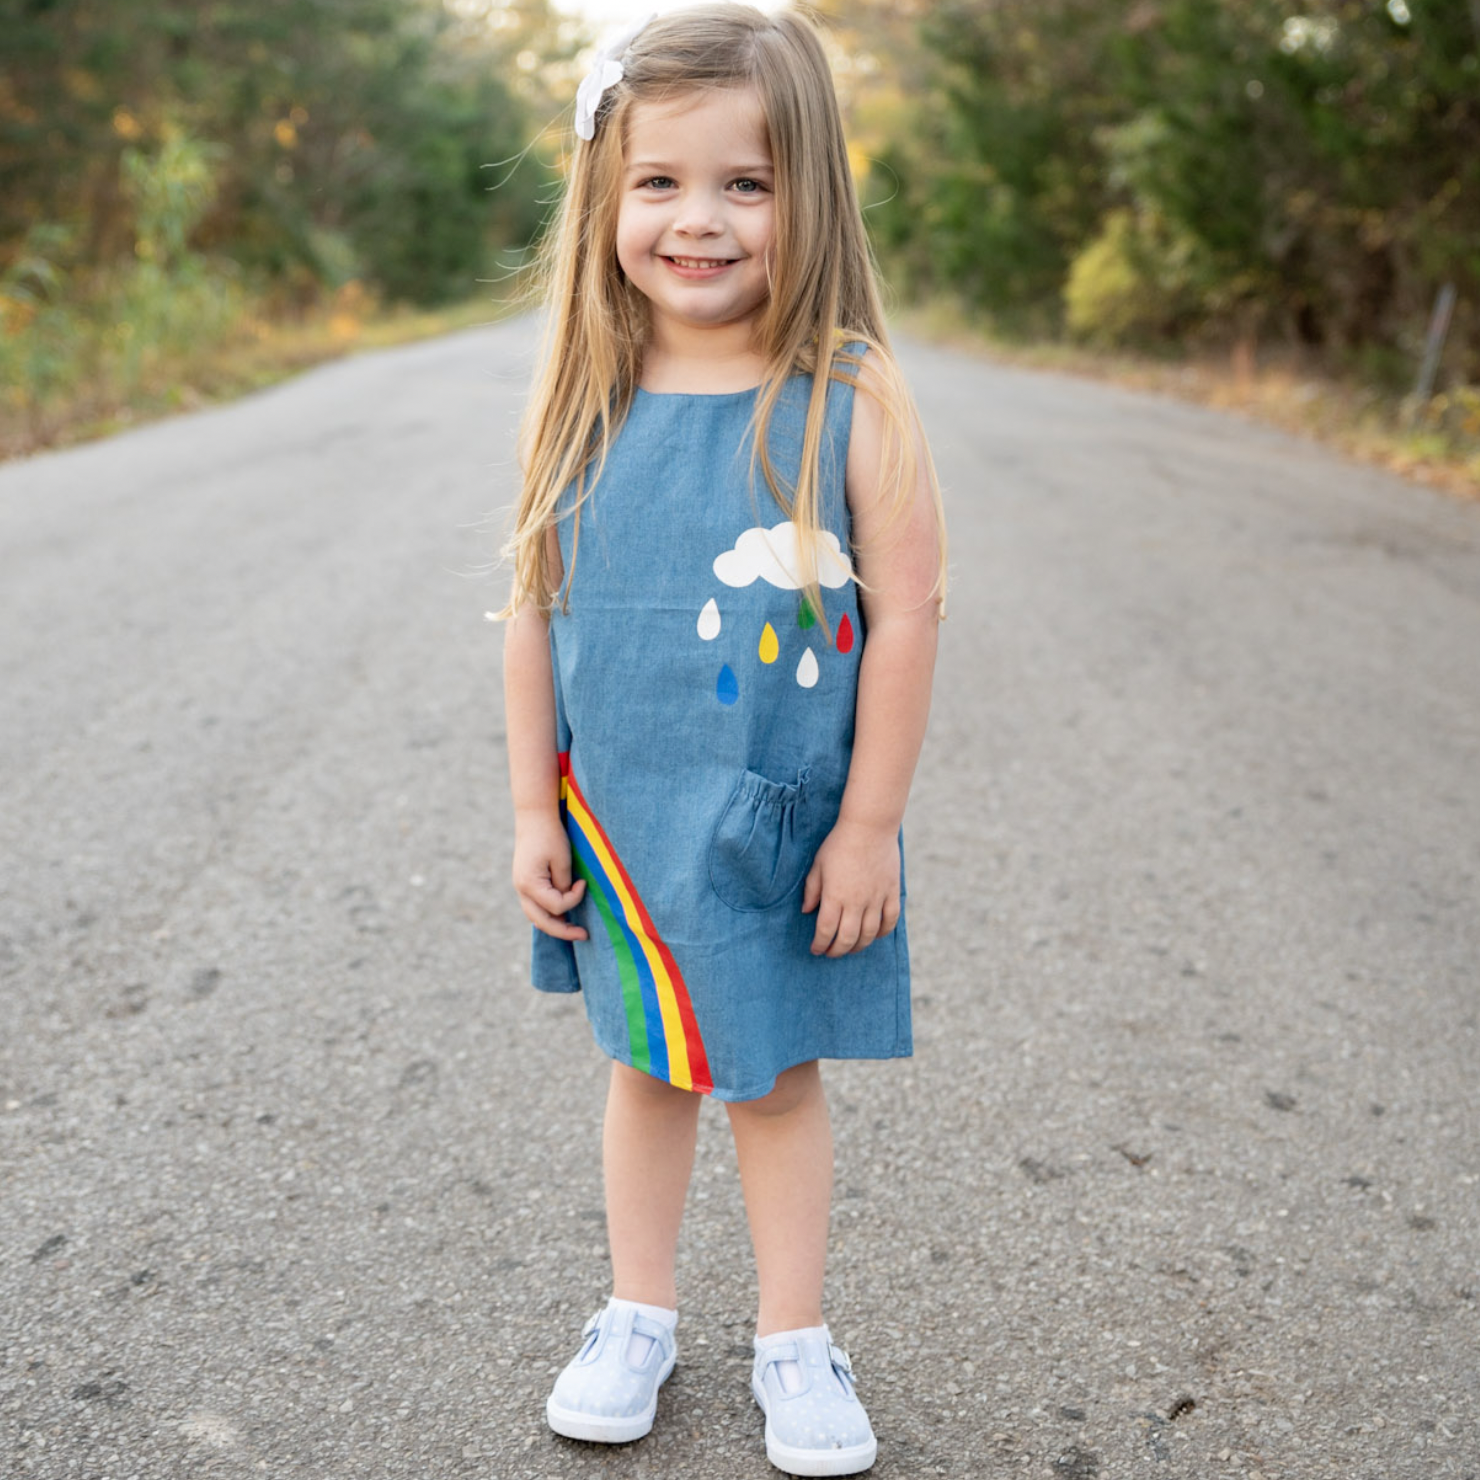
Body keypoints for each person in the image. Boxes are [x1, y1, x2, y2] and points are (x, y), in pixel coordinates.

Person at [498, 5, 946, 1474]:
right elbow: (533, 616)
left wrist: (871, 822)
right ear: (606, 198)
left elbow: (913, 611)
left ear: (808, 192)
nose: (700, 219)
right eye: (661, 182)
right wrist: (530, 811)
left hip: (780, 822)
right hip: (622, 818)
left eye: (745, 183)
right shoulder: (582, 397)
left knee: (769, 1076)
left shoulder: (848, 395)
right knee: (646, 1066)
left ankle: (794, 1340)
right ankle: (639, 1312)